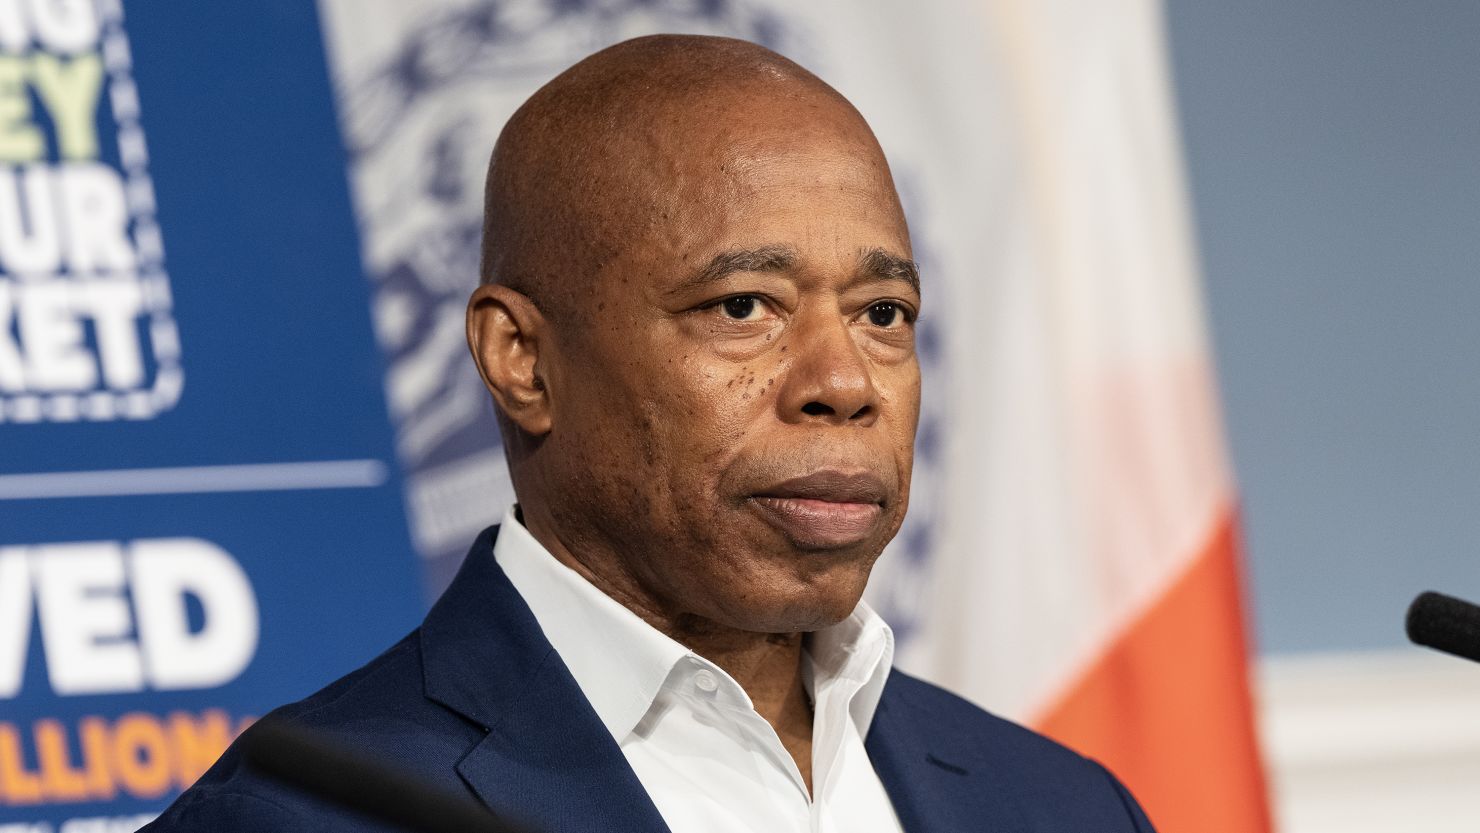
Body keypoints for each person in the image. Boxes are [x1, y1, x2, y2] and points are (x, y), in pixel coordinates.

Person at [143, 34, 1156, 833]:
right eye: (743, 306)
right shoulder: (301, 818)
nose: (844, 382)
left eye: (882, 313)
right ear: (521, 360)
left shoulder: (1060, 804)